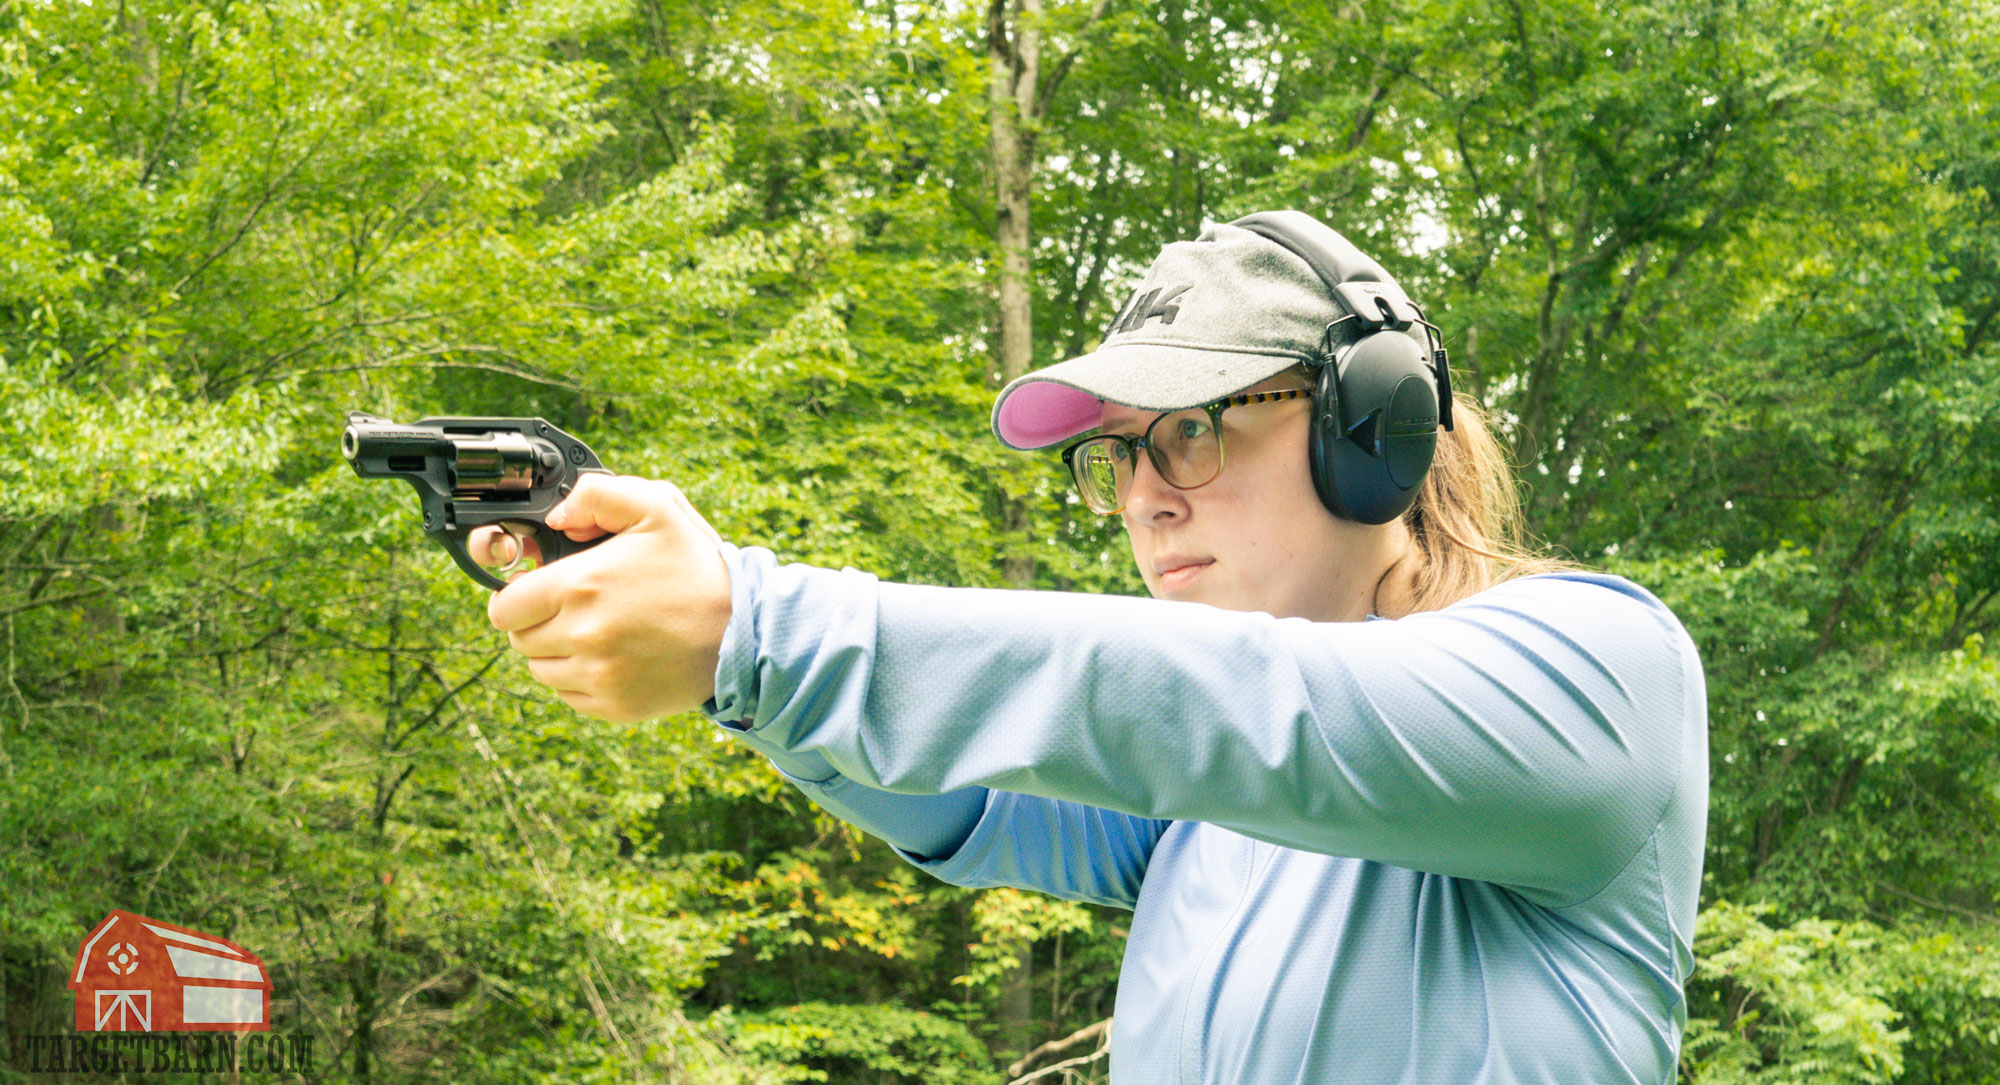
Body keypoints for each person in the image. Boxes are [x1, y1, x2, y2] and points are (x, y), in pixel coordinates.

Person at [480, 212, 1709, 1083]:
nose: (1139, 497)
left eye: (1185, 431)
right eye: (1116, 454)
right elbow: (954, 791)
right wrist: (719, 660)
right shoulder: (1206, 799)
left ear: (1370, 430)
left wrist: (760, 623)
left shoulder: (1597, 669)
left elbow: (1244, 710)